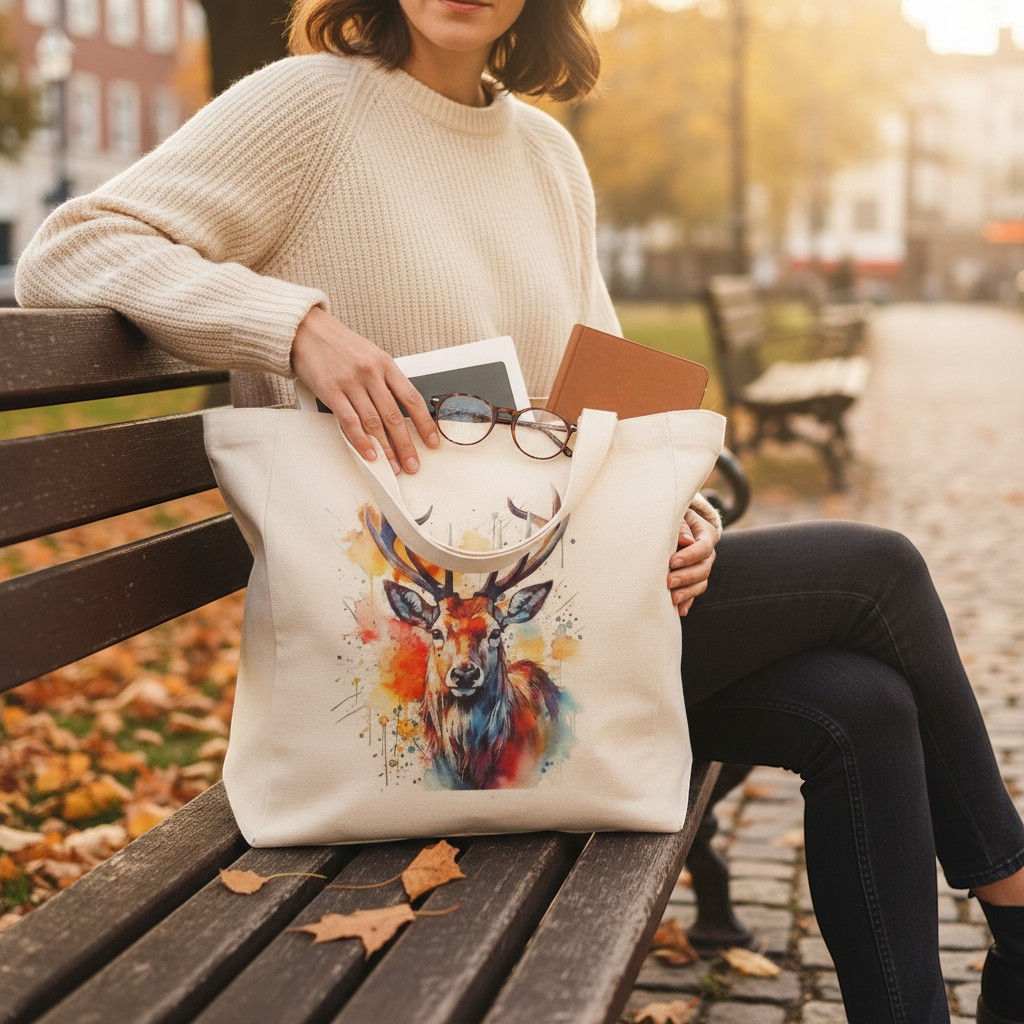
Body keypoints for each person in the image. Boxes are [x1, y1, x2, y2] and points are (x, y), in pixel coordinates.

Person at [12, 2, 1024, 1021]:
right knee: (880, 569)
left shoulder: (546, 155)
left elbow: (613, 407)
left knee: (863, 705)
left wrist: (684, 515)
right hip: (410, 653)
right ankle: (1019, 916)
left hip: (562, 622)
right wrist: (295, 328)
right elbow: (73, 247)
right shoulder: (310, 106)